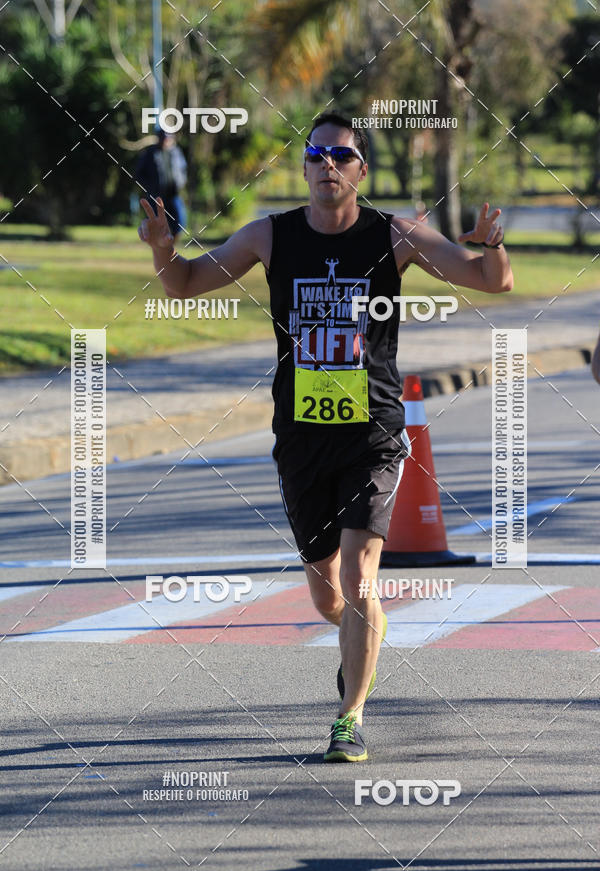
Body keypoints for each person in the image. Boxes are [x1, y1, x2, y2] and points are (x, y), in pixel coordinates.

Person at [138, 111, 513, 762]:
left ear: (361, 171)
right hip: (302, 436)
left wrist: (489, 244)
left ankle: (349, 717)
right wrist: (162, 251)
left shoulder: (395, 235)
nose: (327, 165)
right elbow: (188, 283)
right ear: (304, 167)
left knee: (361, 572)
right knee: (325, 593)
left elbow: (492, 281)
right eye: (316, 155)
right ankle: (360, 640)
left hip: (373, 430)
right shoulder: (270, 236)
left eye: (341, 156)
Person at [135, 129, 187, 242]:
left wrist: (181, 183)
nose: (166, 140)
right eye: (163, 137)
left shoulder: (176, 152)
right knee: (157, 224)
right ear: (158, 137)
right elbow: (139, 174)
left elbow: (183, 170)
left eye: (168, 138)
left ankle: (173, 246)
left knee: (180, 222)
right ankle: (159, 248)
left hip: (174, 194)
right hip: (157, 196)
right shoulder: (150, 153)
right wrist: (149, 188)